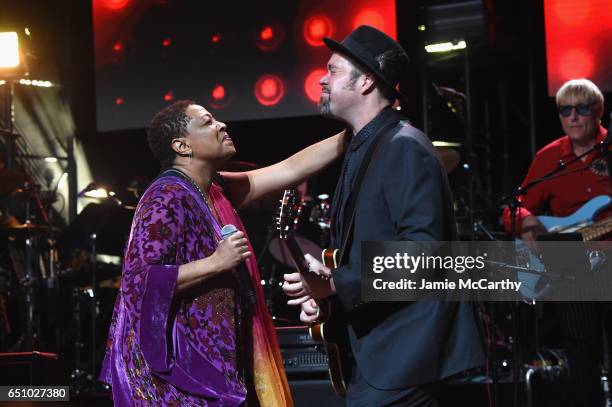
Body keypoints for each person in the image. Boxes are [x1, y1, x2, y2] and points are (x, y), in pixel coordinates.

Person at [282, 25, 484, 406]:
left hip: (406, 355)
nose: (323, 79)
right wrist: (327, 291)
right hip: (381, 354)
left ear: (365, 82)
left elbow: (425, 254)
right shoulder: (364, 148)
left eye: (334, 70)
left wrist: (337, 285)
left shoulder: (404, 147)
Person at [99, 99, 348, 406]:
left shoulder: (213, 189)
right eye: (207, 122)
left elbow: (290, 169)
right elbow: (138, 281)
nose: (222, 125)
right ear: (181, 145)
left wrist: (355, 132)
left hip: (215, 359)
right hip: (178, 373)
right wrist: (217, 262)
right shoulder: (164, 197)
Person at [503, 78, 612, 407]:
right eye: (566, 110)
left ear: (599, 112)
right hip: (571, 264)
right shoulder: (550, 157)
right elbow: (515, 206)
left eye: (582, 109)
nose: (574, 117)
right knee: (581, 356)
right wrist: (526, 221)